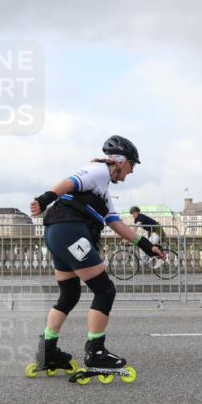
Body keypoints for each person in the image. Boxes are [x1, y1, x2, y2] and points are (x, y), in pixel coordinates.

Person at [28, 135, 166, 377]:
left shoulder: (103, 189)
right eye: (132, 165)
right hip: (70, 232)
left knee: (69, 293)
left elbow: (115, 223)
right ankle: (96, 352)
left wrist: (145, 245)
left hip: (57, 233)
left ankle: (48, 351)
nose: (132, 171)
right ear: (120, 161)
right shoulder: (98, 170)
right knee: (105, 290)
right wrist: (45, 198)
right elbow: (70, 182)